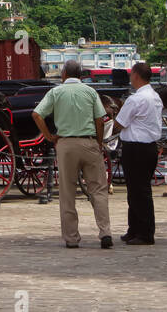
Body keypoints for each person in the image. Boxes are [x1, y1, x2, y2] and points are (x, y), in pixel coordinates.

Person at [32, 59, 113, 249]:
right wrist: (98, 143)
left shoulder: (56, 92)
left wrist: (48, 136)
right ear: (81, 75)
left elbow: (36, 114)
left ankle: (71, 238)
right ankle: (105, 232)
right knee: (98, 190)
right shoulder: (90, 91)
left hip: (66, 144)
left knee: (67, 193)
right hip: (89, 141)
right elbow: (100, 120)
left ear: (64, 75)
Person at [107, 62, 160, 245]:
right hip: (149, 147)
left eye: (131, 75)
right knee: (137, 190)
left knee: (139, 191)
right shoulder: (155, 96)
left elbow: (119, 123)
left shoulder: (135, 99)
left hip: (136, 147)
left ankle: (145, 233)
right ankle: (135, 229)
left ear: (136, 76)